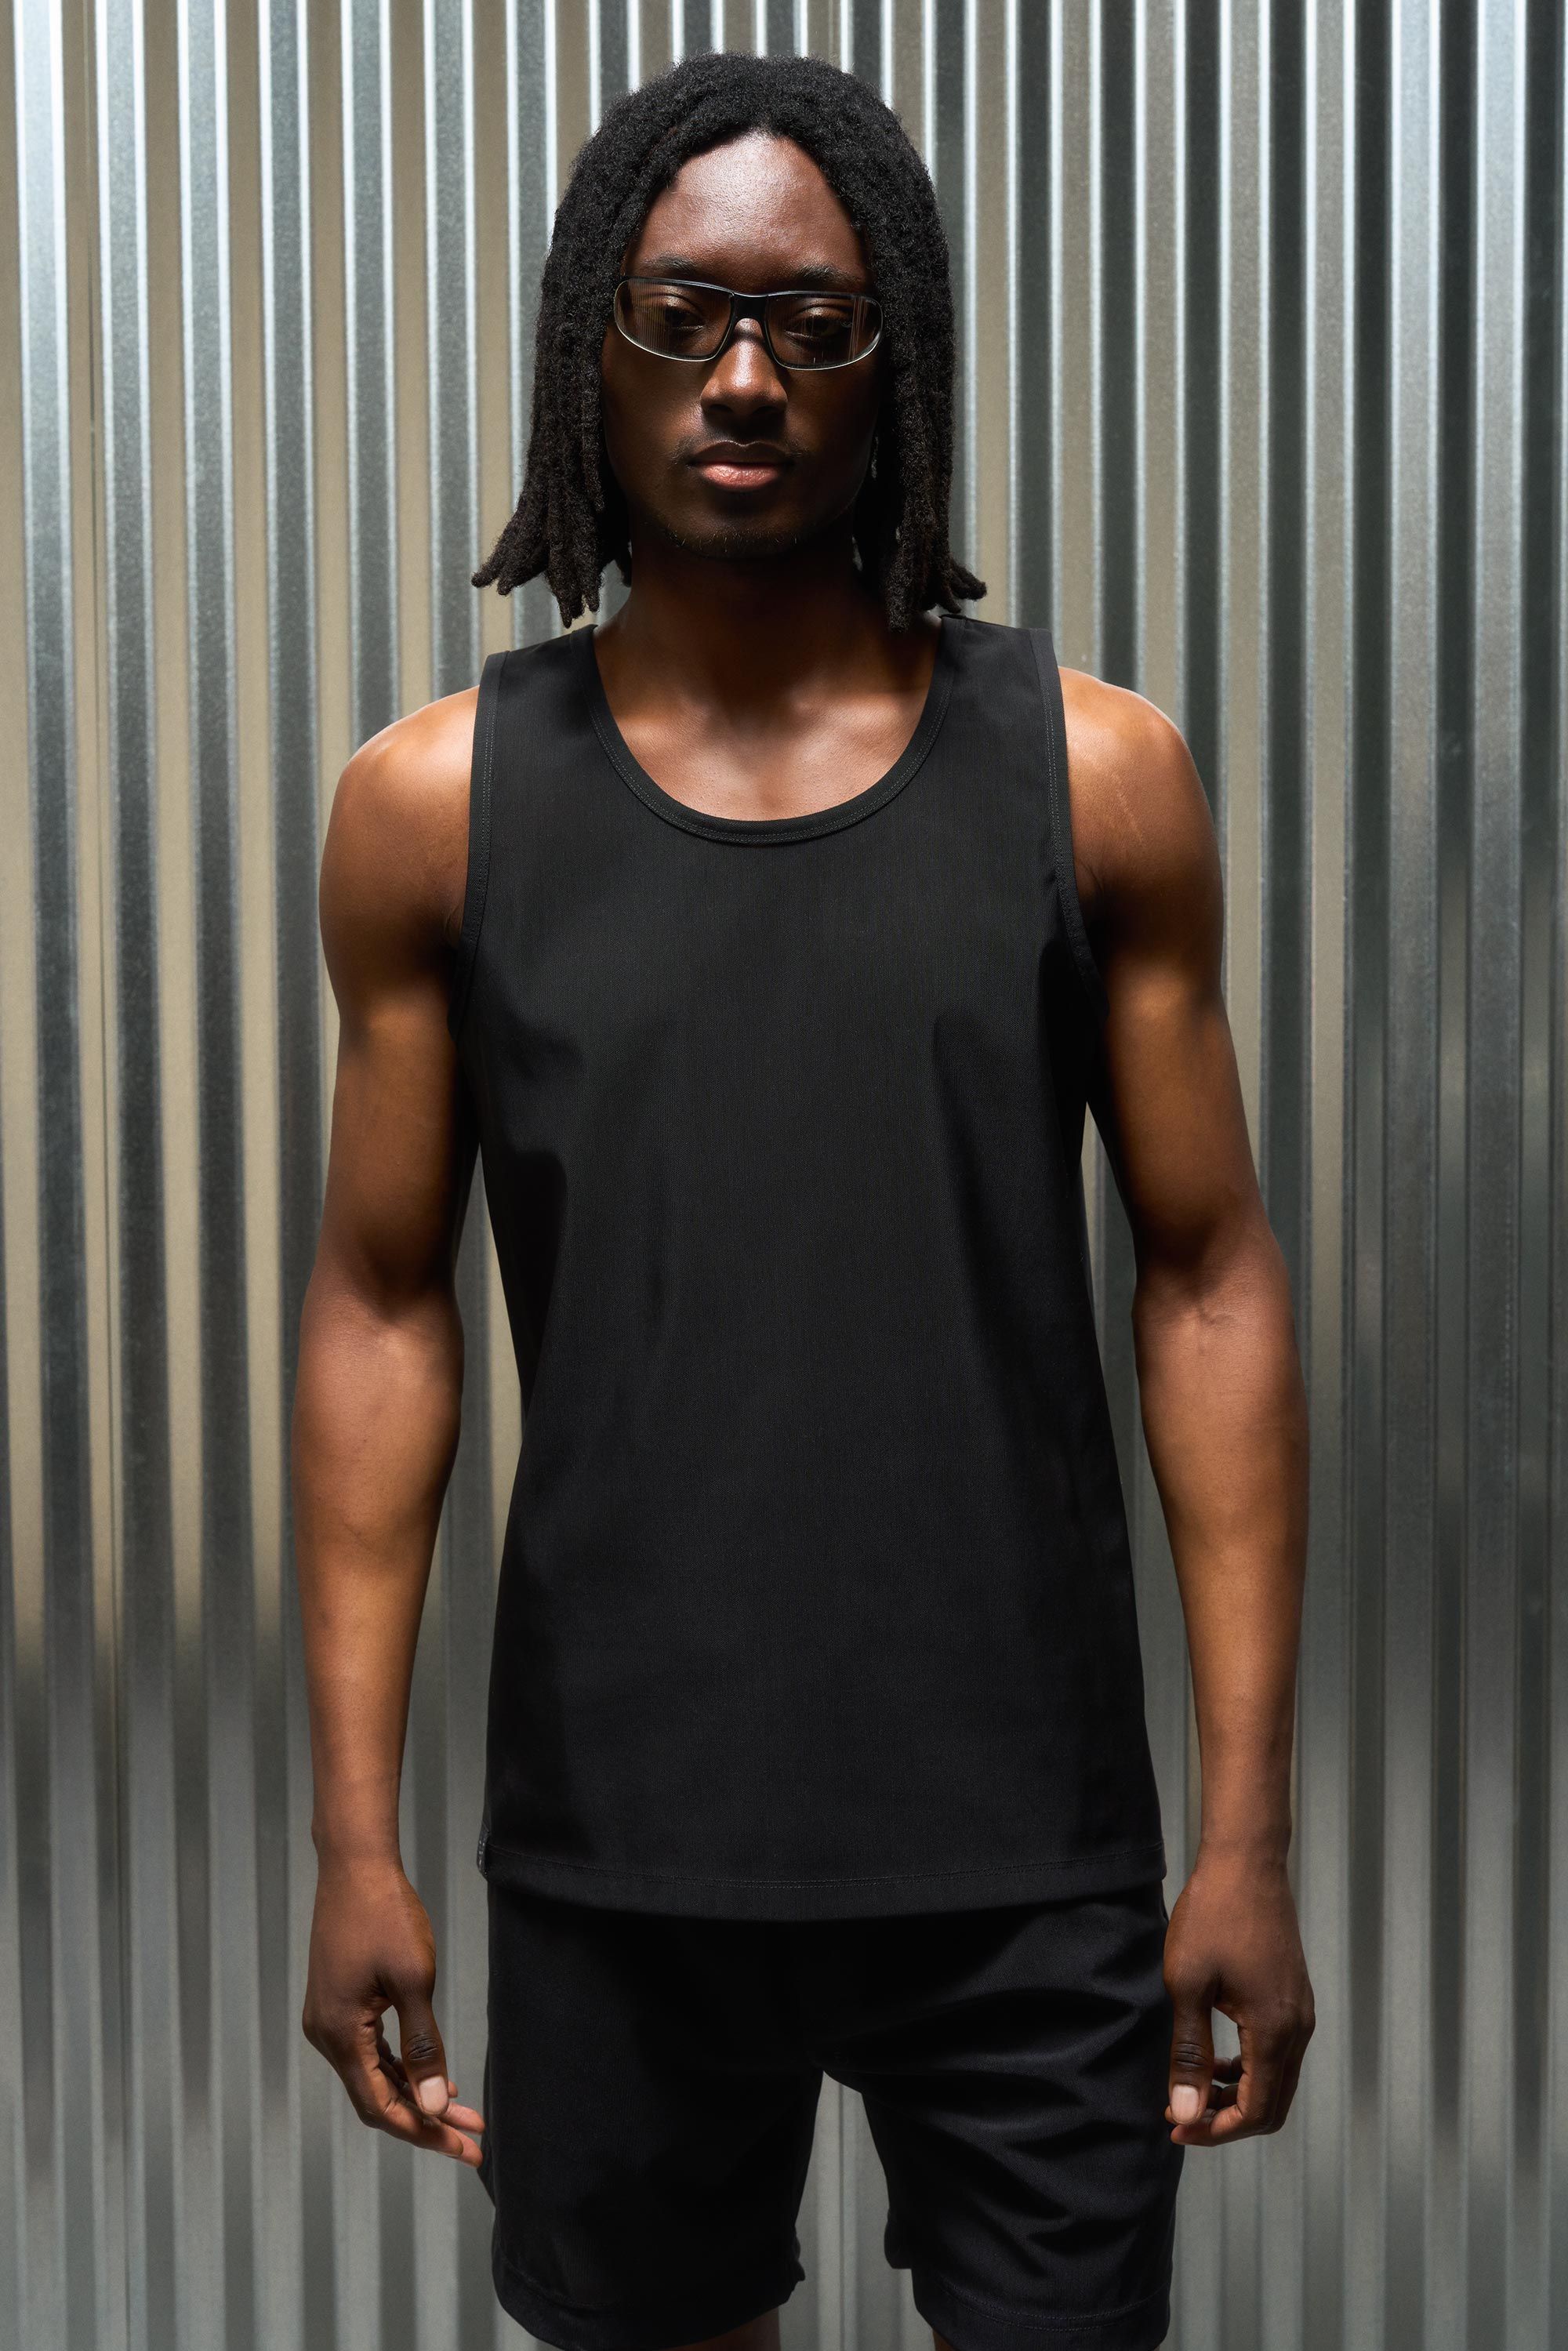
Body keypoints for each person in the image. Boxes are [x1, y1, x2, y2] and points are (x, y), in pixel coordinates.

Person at [295, 48, 1314, 2351]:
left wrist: (1245, 1835)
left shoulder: (1094, 780)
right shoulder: (437, 811)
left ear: (897, 362)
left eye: (814, 323)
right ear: (592, 347)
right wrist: (355, 1835)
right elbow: (378, 1309)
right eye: (681, 314)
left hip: (1027, 1857)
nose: (744, 378)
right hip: (618, 1852)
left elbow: (1209, 1281)